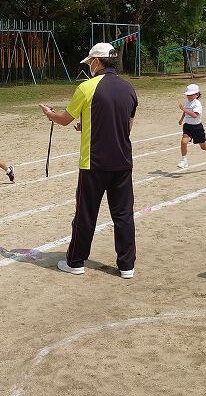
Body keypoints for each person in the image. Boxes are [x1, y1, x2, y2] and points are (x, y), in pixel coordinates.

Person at [39, 42, 138, 279]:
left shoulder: (86, 87)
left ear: (97, 61)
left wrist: (50, 114)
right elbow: (126, 126)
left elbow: (65, 119)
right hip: (123, 161)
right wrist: (89, 126)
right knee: (123, 215)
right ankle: (127, 266)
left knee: (85, 214)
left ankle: (75, 261)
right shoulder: (128, 88)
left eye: (90, 62)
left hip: (93, 163)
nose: (89, 66)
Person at [177, 84, 206, 169]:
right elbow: (185, 112)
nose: (189, 96)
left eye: (191, 94)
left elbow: (195, 115)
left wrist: (184, 109)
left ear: (197, 94)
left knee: (203, 146)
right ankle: (184, 160)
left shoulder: (197, 104)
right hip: (187, 126)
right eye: (188, 95)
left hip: (197, 128)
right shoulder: (187, 102)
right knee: (183, 142)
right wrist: (181, 119)